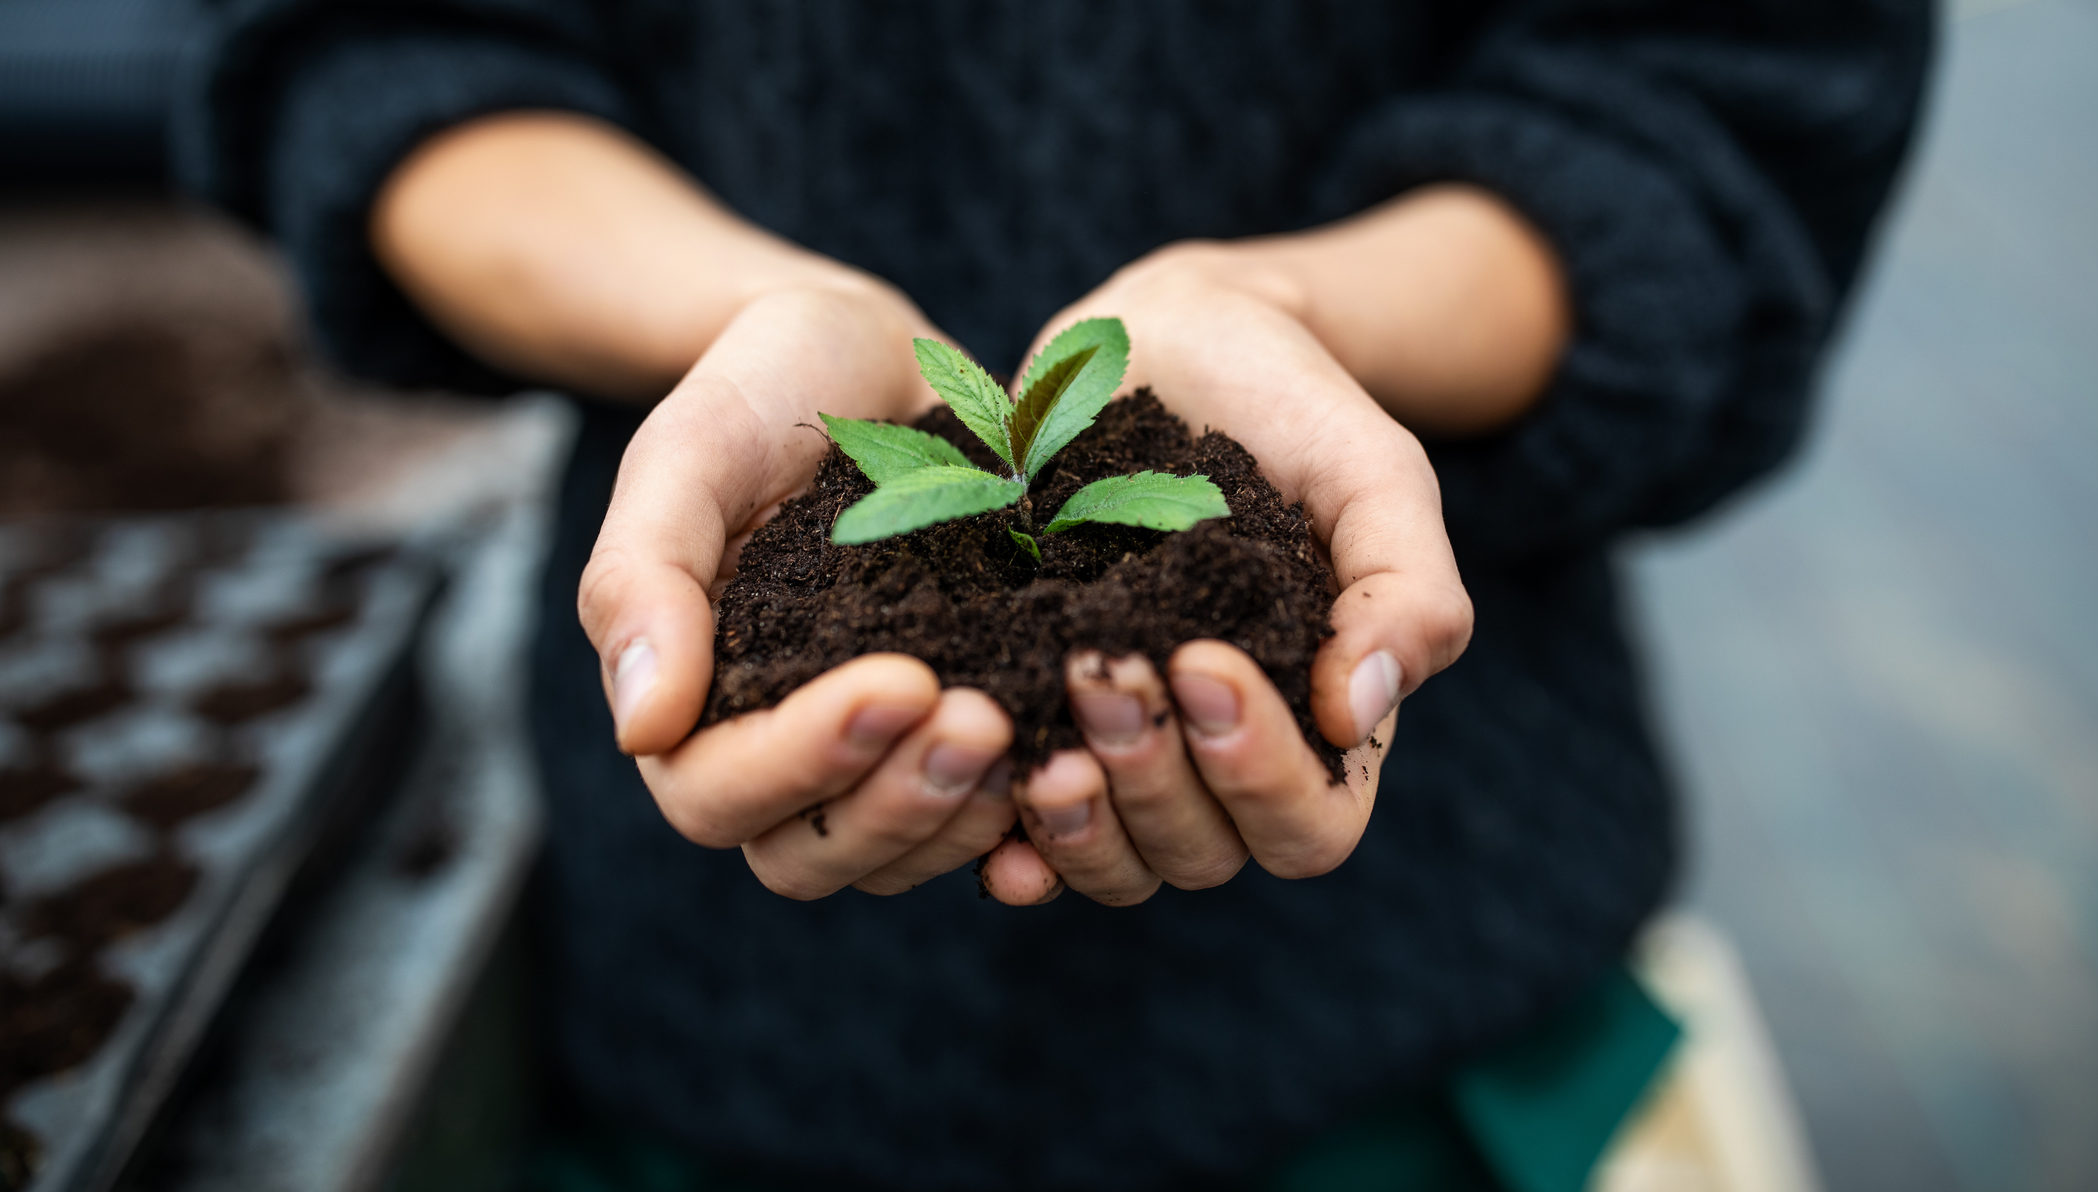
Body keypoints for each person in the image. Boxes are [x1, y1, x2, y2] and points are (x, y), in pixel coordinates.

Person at [184, 2, 1930, 1187]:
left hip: (1413, 1016)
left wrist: (1306, 316)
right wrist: (729, 314)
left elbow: (1714, 89)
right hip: (696, 1025)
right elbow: (377, 45)